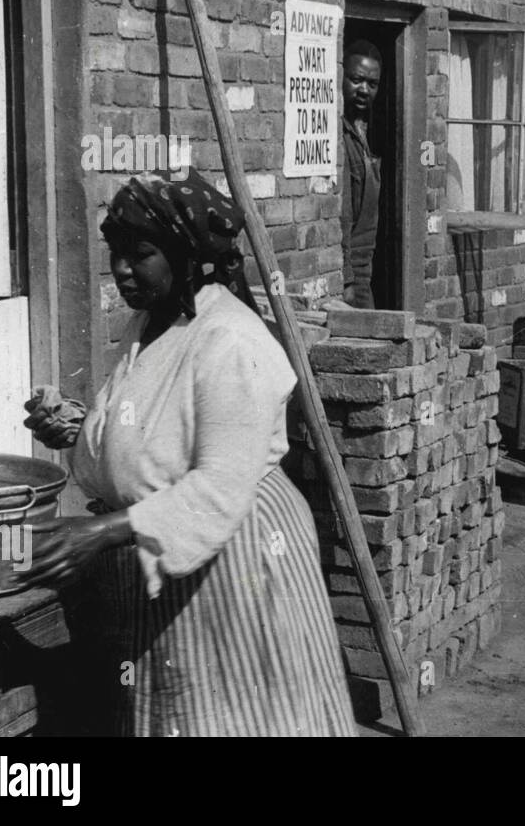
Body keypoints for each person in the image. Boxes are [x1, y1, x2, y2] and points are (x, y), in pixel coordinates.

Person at [22, 174, 356, 737]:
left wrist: (100, 533)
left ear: (184, 254)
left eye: (141, 254)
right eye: (116, 255)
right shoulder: (153, 323)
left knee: (246, 717)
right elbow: (156, 432)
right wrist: (82, 433)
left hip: (237, 555)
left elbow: (219, 486)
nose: (122, 270)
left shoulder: (229, 340)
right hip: (178, 552)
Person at [340, 39, 384, 309]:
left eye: (372, 84)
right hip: (351, 276)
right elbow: (342, 217)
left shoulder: (370, 132)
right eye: (356, 80)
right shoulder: (340, 135)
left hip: (366, 271)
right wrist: (347, 281)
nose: (364, 90)